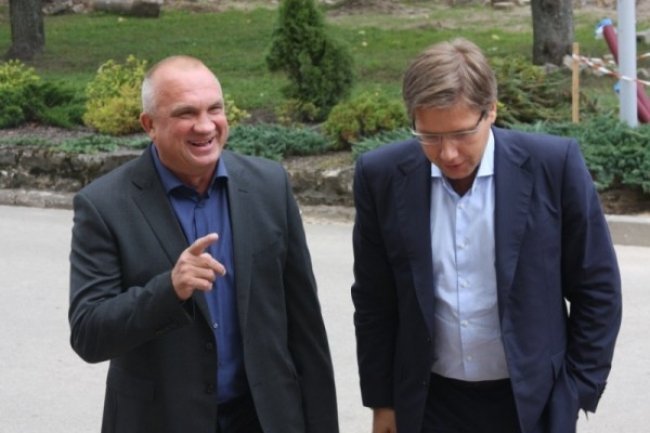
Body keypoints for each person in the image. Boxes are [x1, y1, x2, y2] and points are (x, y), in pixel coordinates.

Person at [351, 38, 622, 433]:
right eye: (430, 136)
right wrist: (383, 402)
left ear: (491, 110)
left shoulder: (553, 166)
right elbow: (374, 300)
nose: (448, 154)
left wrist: (575, 390)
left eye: (462, 134)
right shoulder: (381, 177)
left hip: (531, 406)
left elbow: (597, 288)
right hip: (428, 406)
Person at [68, 55, 338, 433]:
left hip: (263, 419)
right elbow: (89, 333)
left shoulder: (269, 185)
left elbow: (306, 327)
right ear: (149, 125)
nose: (206, 125)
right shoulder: (105, 205)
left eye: (215, 109)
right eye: (186, 113)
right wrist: (169, 289)